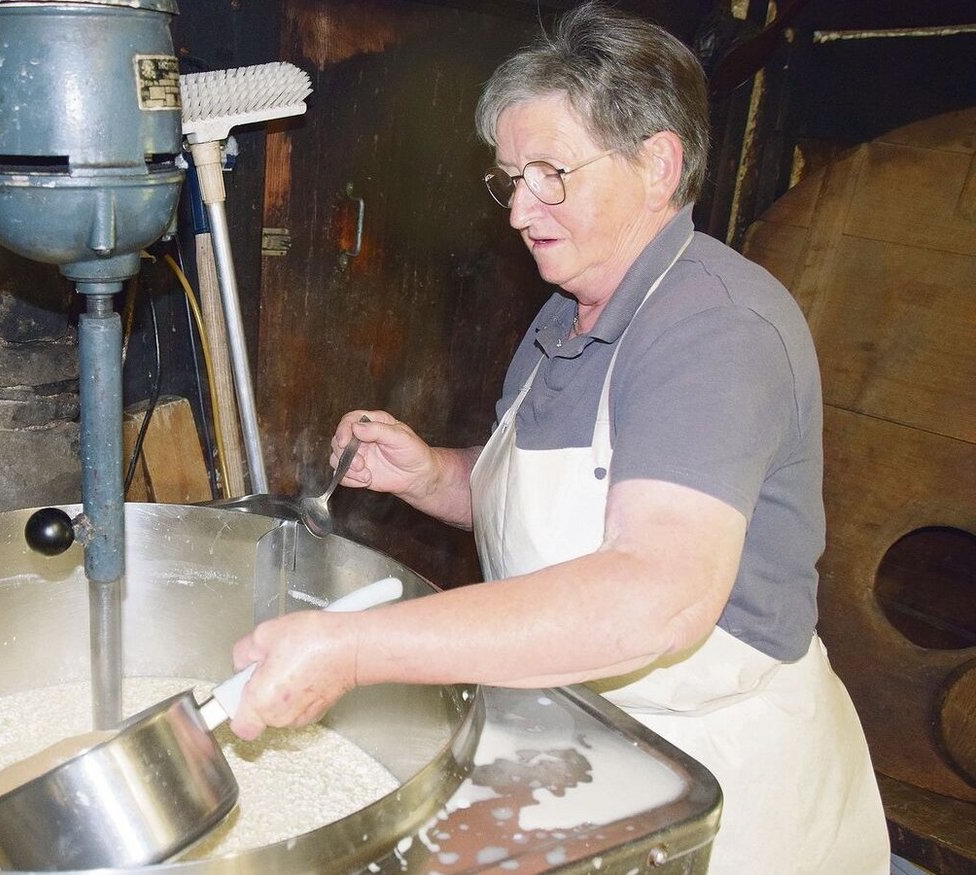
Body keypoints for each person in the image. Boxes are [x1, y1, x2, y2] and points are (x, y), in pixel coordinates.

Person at [226, 3, 890, 873]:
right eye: (511, 179)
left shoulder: (716, 330)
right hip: (586, 734)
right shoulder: (565, 317)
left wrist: (356, 649)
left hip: (716, 784)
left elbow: (654, 592)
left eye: (551, 173)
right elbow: (562, 516)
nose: (518, 210)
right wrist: (434, 475)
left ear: (658, 163)